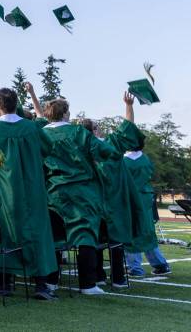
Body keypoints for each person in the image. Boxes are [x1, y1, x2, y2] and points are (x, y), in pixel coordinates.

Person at [30, 85, 138, 295]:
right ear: (66, 113)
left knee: (54, 237)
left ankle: (50, 282)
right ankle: (88, 284)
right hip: (82, 192)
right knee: (85, 236)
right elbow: (106, 151)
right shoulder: (78, 132)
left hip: (52, 193)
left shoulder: (40, 134)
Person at [0, 87, 57, 300]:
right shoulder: (32, 128)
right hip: (33, 188)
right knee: (37, 233)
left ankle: (5, 283)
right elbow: (48, 148)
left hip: (4, 190)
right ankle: (41, 285)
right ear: (16, 104)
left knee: (6, 233)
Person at [78, 91, 144, 287]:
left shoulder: (80, 152)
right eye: (97, 127)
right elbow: (127, 128)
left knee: (95, 239)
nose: (100, 130)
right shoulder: (110, 145)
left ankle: (98, 275)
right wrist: (129, 106)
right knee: (116, 241)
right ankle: (118, 277)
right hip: (114, 202)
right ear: (94, 132)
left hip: (92, 203)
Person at [124, 138, 172, 276]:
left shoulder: (124, 161)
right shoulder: (145, 159)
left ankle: (135, 268)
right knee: (147, 232)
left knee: (132, 233)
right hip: (146, 197)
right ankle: (161, 264)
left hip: (131, 198)